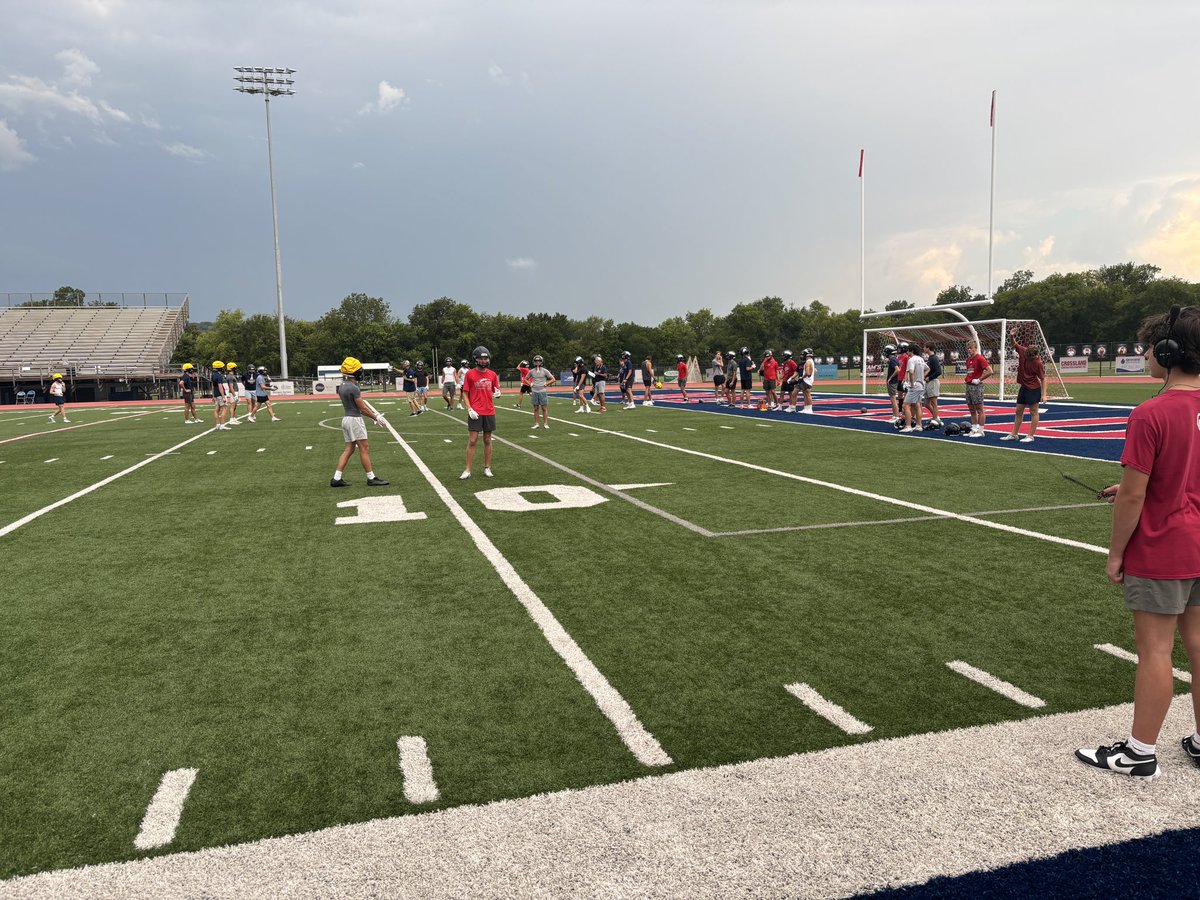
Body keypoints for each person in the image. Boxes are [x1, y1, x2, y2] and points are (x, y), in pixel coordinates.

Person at [1077, 307, 1200, 781]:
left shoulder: (1151, 413)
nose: (1146, 354)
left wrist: (1115, 552)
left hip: (1164, 547)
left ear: (1169, 352)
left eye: (1151, 347)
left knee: (1156, 651)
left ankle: (1139, 752)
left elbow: (1134, 494)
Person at [331, 357, 389, 488]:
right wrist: (376, 417)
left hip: (346, 419)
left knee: (349, 449)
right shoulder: (354, 388)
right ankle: (371, 477)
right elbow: (362, 408)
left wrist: (374, 415)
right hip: (354, 420)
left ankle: (336, 478)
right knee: (364, 448)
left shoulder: (342, 386)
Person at [461, 346, 499, 479]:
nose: (484, 360)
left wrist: (498, 393)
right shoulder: (470, 374)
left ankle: (487, 467)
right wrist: (469, 408)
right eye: (481, 358)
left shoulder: (493, 374)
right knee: (472, 440)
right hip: (475, 412)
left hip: (489, 411)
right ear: (476, 359)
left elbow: (495, 390)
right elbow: (465, 393)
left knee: (488, 440)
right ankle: (467, 470)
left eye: (485, 358)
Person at [1001, 328, 1045, 443]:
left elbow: (1043, 379)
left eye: (1031, 357)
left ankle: (1030, 435)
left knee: (1033, 412)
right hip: (1024, 387)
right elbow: (1014, 343)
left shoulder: (1038, 363)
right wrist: (1011, 336)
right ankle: (1014, 434)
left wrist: (1044, 395)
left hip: (1034, 388)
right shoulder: (1023, 351)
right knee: (1018, 411)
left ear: (1036, 355)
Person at [963, 341, 993, 437]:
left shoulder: (979, 358)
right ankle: (974, 428)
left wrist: (979, 379)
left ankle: (981, 430)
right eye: (968, 348)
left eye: (971, 348)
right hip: (969, 385)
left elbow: (990, 371)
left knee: (979, 409)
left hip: (976, 386)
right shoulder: (968, 360)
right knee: (971, 408)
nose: (969, 350)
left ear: (975, 348)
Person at [900, 345, 926, 432]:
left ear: (911, 351)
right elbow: (927, 369)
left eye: (908, 351)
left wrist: (911, 383)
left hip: (915, 386)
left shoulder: (911, 360)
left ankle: (908, 426)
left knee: (906, 405)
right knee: (917, 405)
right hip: (921, 385)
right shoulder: (921, 359)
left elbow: (911, 372)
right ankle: (919, 425)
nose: (907, 352)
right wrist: (922, 378)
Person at [529, 354, 555, 429]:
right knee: (536, 408)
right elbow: (525, 379)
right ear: (534, 362)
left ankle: (545, 423)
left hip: (542, 391)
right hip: (534, 391)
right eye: (536, 361)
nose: (537, 363)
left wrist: (546, 383)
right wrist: (530, 384)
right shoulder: (532, 371)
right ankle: (537, 423)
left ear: (541, 362)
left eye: (539, 361)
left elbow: (553, 379)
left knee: (544, 408)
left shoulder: (545, 371)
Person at [922, 342, 943, 427]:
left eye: (924, 347)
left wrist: (929, 378)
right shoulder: (930, 358)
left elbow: (938, 371)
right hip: (928, 382)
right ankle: (936, 417)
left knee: (934, 403)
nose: (923, 349)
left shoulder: (934, 358)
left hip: (933, 382)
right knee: (927, 404)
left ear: (928, 348)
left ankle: (935, 419)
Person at [211, 361, 230, 431]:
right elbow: (220, 387)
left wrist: (213, 396)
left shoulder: (213, 375)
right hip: (220, 395)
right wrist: (223, 396)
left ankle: (217, 424)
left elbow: (212, 386)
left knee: (216, 410)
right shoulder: (219, 376)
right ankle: (222, 425)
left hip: (216, 395)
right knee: (224, 408)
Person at [883, 344, 901, 422]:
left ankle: (896, 416)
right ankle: (895, 415)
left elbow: (897, 370)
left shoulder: (893, 360)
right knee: (893, 399)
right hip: (894, 381)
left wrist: (890, 377)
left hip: (892, 382)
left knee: (893, 399)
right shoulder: (895, 359)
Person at [799, 349, 816, 414]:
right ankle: (806, 408)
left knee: (807, 394)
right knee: (805, 394)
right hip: (808, 380)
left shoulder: (808, 362)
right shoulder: (810, 361)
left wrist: (802, 377)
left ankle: (810, 408)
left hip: (807, 380)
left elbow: (807, 373)